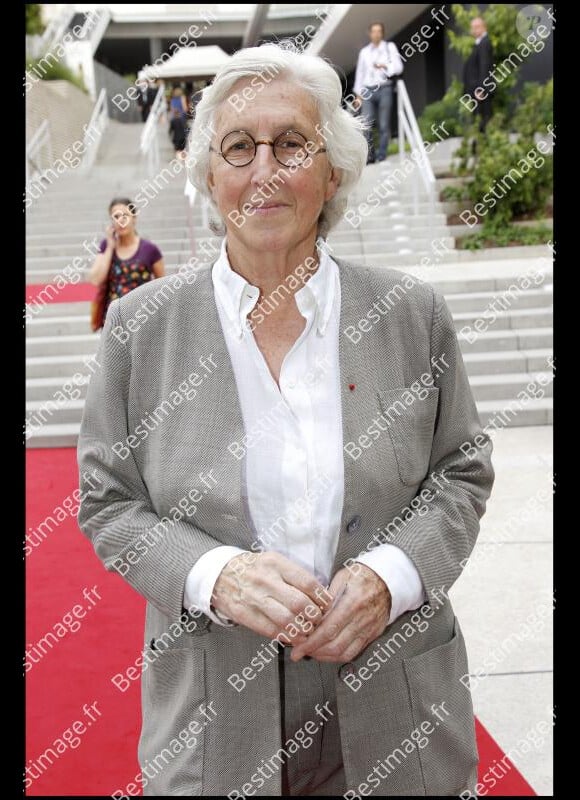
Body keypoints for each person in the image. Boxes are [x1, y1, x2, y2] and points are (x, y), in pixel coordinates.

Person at [77, 42, 494, 797]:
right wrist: (215, 574)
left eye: (291, 144)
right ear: (209, 173)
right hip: (213, 711)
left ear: (332, 170)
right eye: (239, 147)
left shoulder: (412, 315)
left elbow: (462, 471)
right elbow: (108, 504)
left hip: (398, 698)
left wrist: (389, 577)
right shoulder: (140, 330)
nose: (263, 169)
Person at [88, 198, 165, 329]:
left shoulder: (150, 250)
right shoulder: (106, 245)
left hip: (143, 320)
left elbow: (162, 288)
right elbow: (96, 279)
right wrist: (110, 247)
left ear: (134, 218)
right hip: (113, 321)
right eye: (116, 216)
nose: (120, 220)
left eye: (125, 216)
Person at [353, 22, 404, 163]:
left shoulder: (389, 47)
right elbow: (360, 75)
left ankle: (382, 155)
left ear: (382, 33)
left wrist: (385, 66)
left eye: (379, 31)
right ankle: (370, 156)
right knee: (366, 124)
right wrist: (358, 96)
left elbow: (399, 67)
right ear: (369, 33)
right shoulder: (364, 52)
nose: (377, 34)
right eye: (374, 31)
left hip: (385, 88)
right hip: (368, 90)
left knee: (383, 124)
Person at [463, 16, 493, 132]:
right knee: (478, 124)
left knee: (482, 124)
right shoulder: (479, 44)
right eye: (472, 28)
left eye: (476, 27)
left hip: (480, 93)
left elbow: (484, 67)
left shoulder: (484, 43)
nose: (474, 30)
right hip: (476, 92)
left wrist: (481, 89)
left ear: (484, 27)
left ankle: (483, 147)